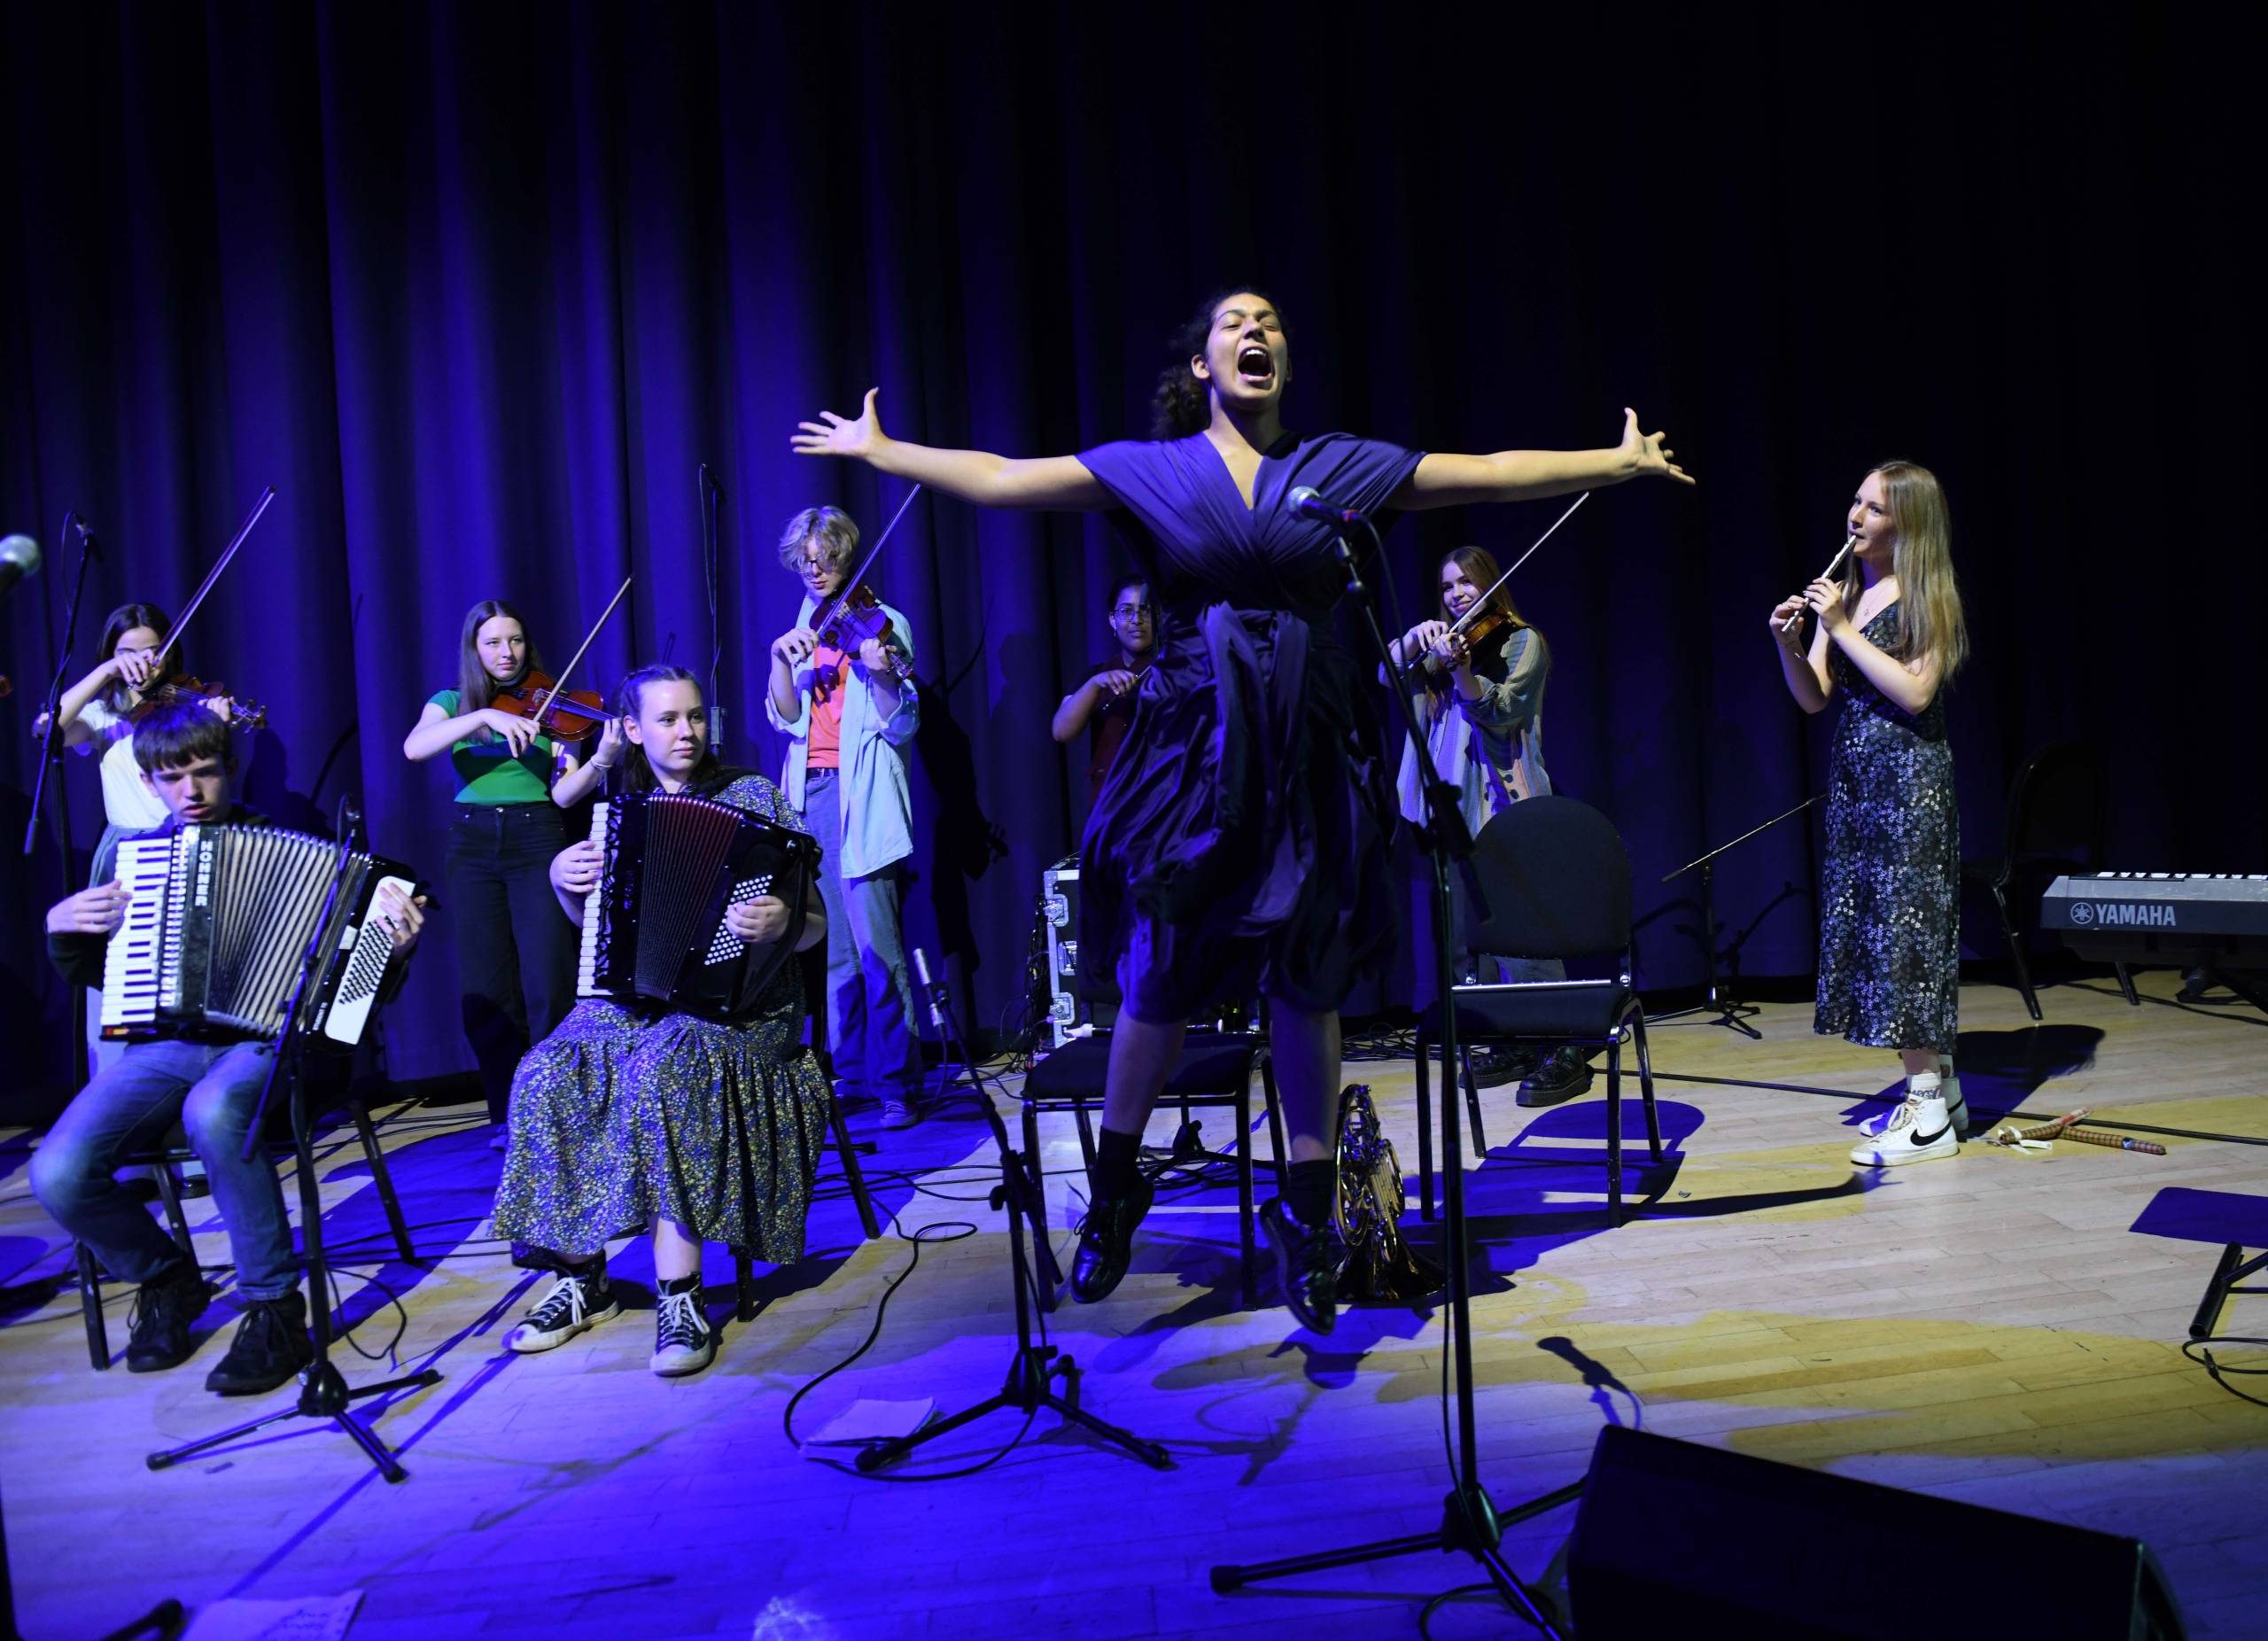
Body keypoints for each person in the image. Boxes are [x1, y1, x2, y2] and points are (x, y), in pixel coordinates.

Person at [795, 286, 1689, 1332]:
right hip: (1193, 761)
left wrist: (1613, 463)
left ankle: (1308, 1216)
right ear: (1205, 367)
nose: (1256, 331)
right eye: (1235, 323)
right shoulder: (1155, 469)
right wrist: (886, 451)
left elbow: (1479, 474)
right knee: (1163, 977)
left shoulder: (1334, 468)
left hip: (1309, 756)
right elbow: (1001, 480)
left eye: (1271, 323)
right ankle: (1120, 1183)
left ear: (1283, 366)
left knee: (1306, 987)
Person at [32, 701, 423, 1392]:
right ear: (149, 782)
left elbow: (356, 992)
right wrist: (62, 928)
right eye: (172, 777)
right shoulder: (131, 860)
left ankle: (274, 1307)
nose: (191, 791)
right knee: (58, 1170)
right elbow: (100, 974)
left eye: (205, 773)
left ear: (229, 771)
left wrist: (391, 951)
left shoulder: (291, 845)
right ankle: (166, 1278)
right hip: (166, 1047)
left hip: (264, 1043)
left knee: (213, 1113)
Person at [493, 665, 832, 1378]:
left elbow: (814, 926)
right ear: (633, 731)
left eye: (696, 717)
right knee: (544, 1071)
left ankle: (681, 1294)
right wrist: (563, 886)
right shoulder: (620, 809)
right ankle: (582, 1276)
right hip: (640, 1001)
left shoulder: (755, 797)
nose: (686, 732)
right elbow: (604, 938)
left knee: (667, 1061)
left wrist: (781, 922)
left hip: (744, 1012)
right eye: (669, 720)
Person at [1771, 463, 1968, 1166]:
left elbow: (1916, 694)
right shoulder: (1851, 588)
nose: (1855, 516)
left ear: (1906, 523)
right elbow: (1815, 695)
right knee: (1878, 934)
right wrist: (1791, 642)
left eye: (1874, 508)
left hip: (1909, 788)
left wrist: (1841, 627)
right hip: (1859, 786)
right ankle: (1940, 1093)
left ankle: (1926, 1113)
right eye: (1854, 500)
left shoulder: (1926, 593)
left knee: (1903, 943)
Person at [403, 600, 618, 1128]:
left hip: (535, 837)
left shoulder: (554, 705)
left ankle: (563, 1111)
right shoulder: (451, 701)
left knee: (550, 979)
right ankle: (508, 1116)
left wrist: (601, 761)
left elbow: (566, 795)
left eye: (515, 641)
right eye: (493, 642)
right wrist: (483, 715)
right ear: (474, 649)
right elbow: (414, 748)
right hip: (472, 846)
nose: (506, 652)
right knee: (488, 988)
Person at [1387, 548, 1590, 1106]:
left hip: (1505, 796)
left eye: (1466, 583)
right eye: (1447, 587)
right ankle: (1516, 1036)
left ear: (1489, 585)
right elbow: (1387, 672)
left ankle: (1566, 1044)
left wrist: (1461, 671)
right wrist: (1416, 639)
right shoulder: (1444, 643)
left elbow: (1502, 712)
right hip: (1453, 799)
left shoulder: (1521, 641)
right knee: (1480, 933)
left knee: (1527, 928)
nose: (1455, 595)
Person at [764, 508, 926, 1130]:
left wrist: (877, 667)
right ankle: (853, 1073)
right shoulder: (807, 623)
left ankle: (896, 1083)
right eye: (805, 559)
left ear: (845, 557)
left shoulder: (882, 623)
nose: (814, 569)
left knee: (876, 947)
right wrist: (780, 661)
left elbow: (903, 720)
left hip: (864, 797)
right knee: (832, 952)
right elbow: (784, 718)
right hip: (812, 795)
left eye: (825, 557)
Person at [36, 604, 241, 1077]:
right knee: (122, 977)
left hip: (193, 847)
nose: (143, 663)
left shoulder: (194, 702)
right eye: (127, 653)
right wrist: (106, 671)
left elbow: (211, 780)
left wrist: (217, 727)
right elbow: (47, 730)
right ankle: (121, 1084)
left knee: (194, 973)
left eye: (153, 651)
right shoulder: (102, 714)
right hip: (127, 855)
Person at [1052, 574, 1158, 805]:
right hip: (1109, 802)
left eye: (1145, 611)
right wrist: (1095, 684)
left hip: (1160, 801)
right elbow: (1061, 731)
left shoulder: (1172, 671)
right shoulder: (1097, 675)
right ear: (1112, 620)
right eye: (1126, 611)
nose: (1137, 620)